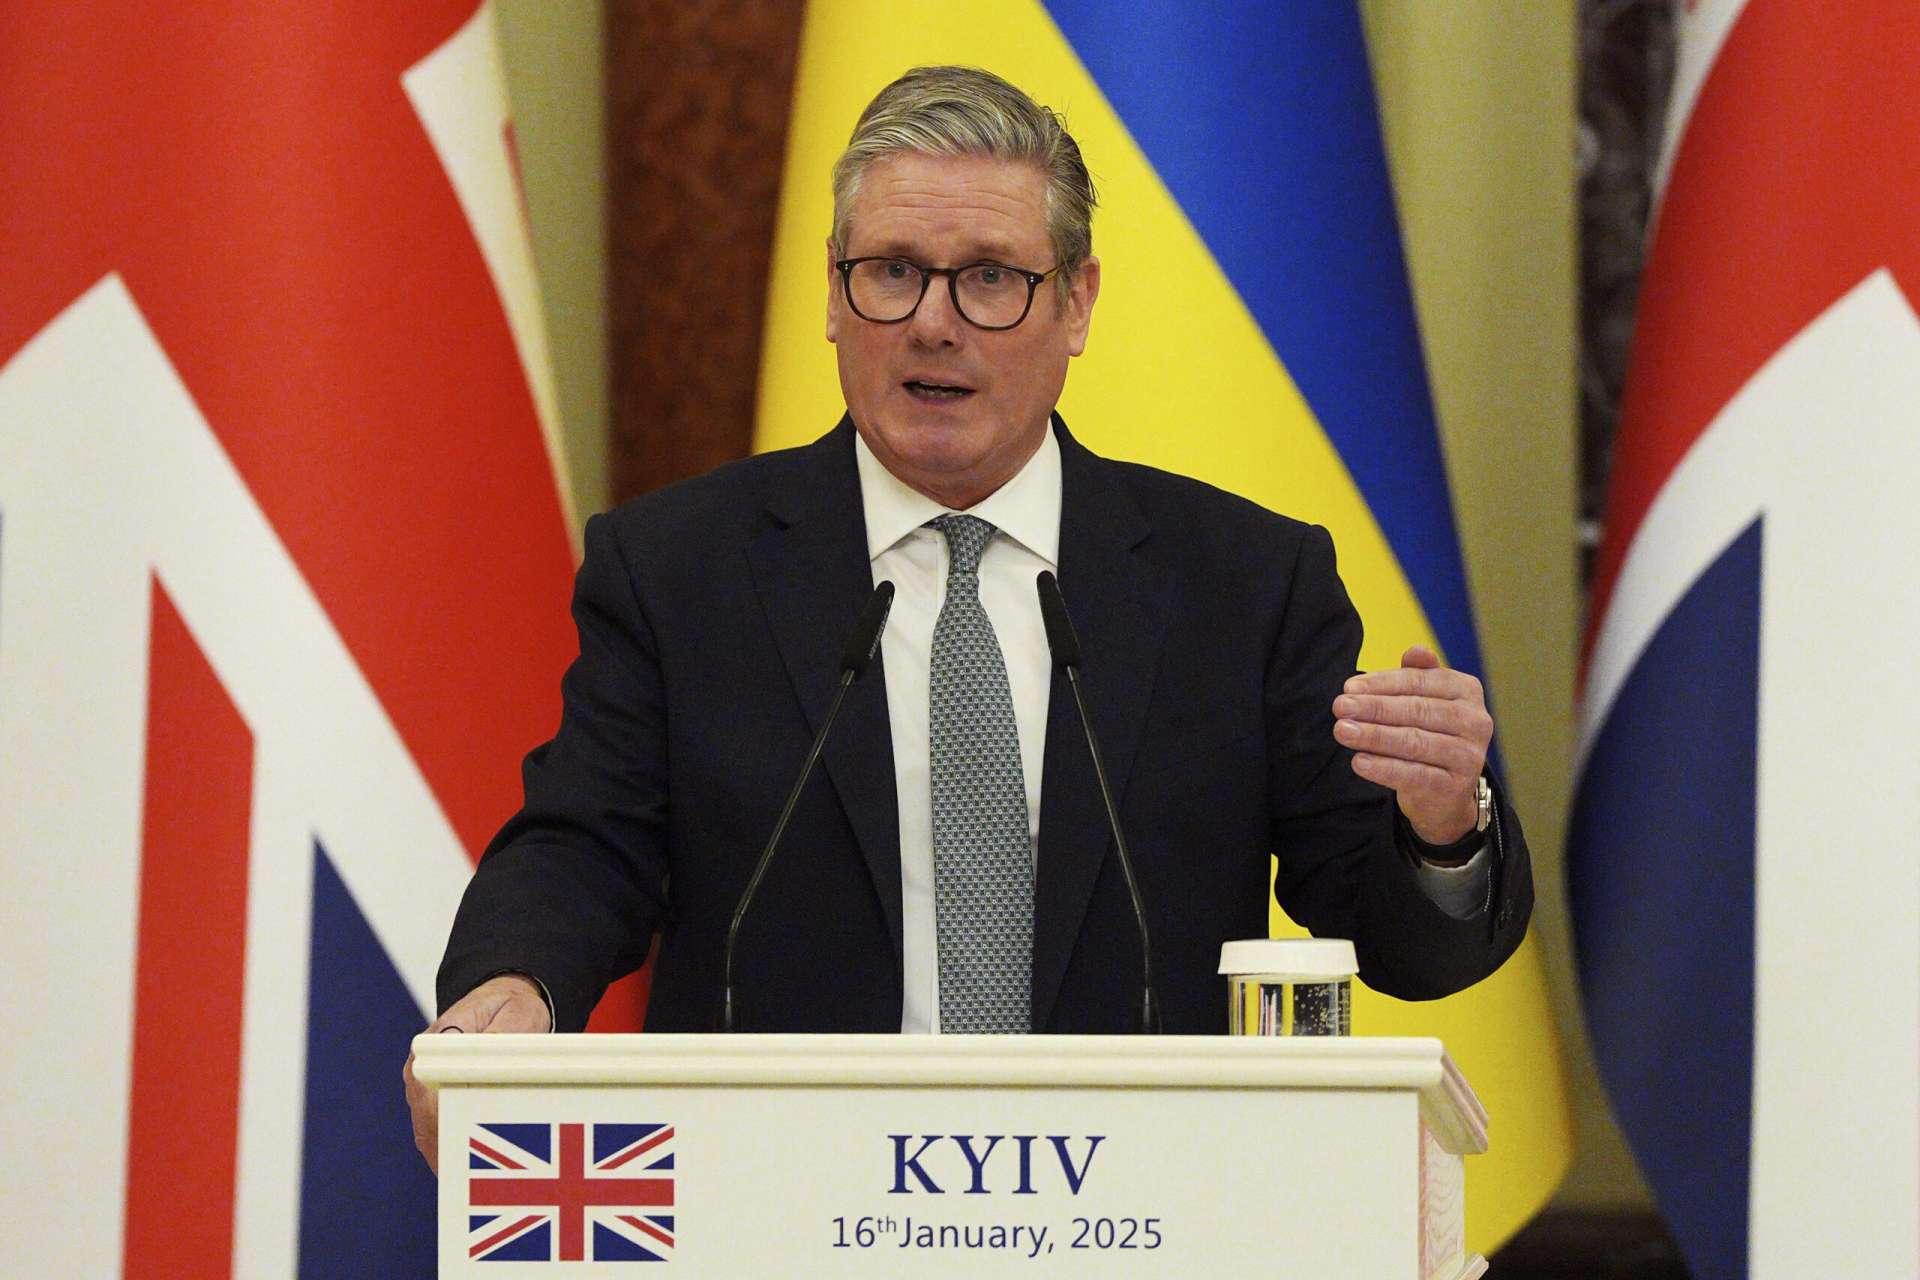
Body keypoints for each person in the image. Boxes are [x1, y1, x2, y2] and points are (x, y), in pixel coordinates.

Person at [405, 65, 1530, 1169]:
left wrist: (1444, 828)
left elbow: (1399, 943)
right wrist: (515, 984)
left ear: (1076, 303)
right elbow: (585, 845)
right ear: (833, 293)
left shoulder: (1245, 583)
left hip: (1143, 1210)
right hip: (782, 1200)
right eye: (892, 271)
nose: (933, 324)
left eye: (991, 278)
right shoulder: (678, 568)